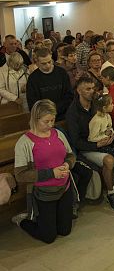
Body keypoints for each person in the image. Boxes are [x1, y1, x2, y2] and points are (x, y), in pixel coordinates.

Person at [66, 76, 114, 211]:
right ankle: (111, 193)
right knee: (109, 160)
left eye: (93, 88)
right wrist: (96, 145)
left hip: (103, 141)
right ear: (79, 91)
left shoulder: (97, 104)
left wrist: (111, 133)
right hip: (88, 147)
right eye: (88, 89)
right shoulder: (73, 112)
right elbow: (75, 141)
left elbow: (108, 122)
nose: (92, 91)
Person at [13, 99, 75, 243]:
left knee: (65, 231)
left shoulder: (58, 134)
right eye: (46, 121)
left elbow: (71, 156)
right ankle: (23, 221)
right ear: (35, 119)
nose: (50, 125)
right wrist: (52, 173)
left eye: (52, 120)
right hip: (44, 193)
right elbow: (20, 175)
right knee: (48, 237)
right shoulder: (25, 142)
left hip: (64, 188)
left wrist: (67, 164)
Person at [27, 47, 73, 121]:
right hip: (44, 118)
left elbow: (69, 95)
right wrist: (47, 113)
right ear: (37, 62)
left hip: (63, 115)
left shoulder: (62, 73)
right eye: (43, 63)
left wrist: (56, 109)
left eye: (49, 62)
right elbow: (33, 103)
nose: (47, 65)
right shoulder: (33, 78)